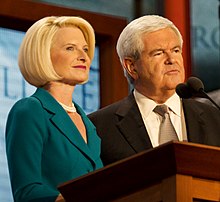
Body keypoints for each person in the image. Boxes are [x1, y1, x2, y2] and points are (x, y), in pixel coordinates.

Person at [88, 15, 220, 166]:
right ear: (131, 67)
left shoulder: (215, 117)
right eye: (158, 53)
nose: (172, 59)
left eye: (176, 50)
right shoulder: (99, 127)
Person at [5, 16, 103, 202]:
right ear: (43, 54)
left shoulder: (88, 124)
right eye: (70, 48)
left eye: (85, 49)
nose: (83, 56)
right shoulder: (30, 110)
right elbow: (26, 192)